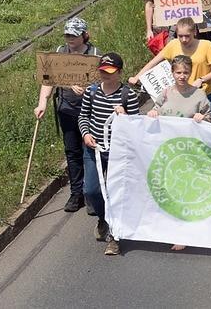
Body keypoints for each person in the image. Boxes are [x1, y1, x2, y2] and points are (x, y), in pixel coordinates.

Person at [34, 17, 100, 213]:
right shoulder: (60, 53)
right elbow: (48, 79)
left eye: (74, 35)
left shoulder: (94, 55)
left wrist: (88, 88)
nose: (70, 38)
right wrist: (42, 103)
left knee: (89, 150)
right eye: (67, 35)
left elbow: (102, 82)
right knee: (72, 152)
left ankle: (92, 194)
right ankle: (76, 193)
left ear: (84, 35)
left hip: (90, 112)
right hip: (67, 110)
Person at [78, 53, 140, 256]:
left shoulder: (128, 95)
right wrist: (86, 133)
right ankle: (104, 218)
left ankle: (115, 237)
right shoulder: (92, 92)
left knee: (115, 195)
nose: (105, 74)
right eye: (102, 71)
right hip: (93, 149)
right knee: (91, 190)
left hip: (117, 153)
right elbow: (83, 116)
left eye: (110, 72)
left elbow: (136, 126)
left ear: (120, 73)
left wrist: (125, 116)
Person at [130, 17, 211, 119]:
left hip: (204, 97)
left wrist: (201, 79)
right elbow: (154, 62)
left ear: (195, 32)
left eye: (187, 36)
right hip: (181, 98)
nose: (184, 40)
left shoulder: (206, 46)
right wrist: (137, 77)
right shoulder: (173, 44)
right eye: (180, 36)